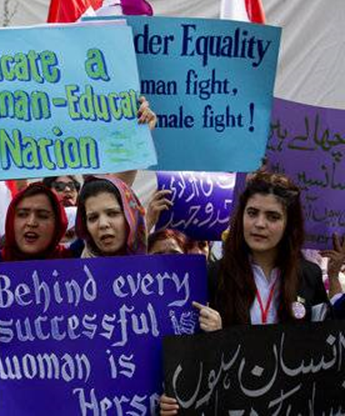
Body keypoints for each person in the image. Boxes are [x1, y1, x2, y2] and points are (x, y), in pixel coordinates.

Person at [159, 171, 337, 415]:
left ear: (288, 224)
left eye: (272, 216)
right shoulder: (213, 275)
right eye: (252, 213)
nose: (260, 224)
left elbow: (326, 351)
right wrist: (174, 394)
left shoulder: (309, 276)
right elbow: (188, 353)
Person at [74, 175, 147, 257]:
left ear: (131, 218)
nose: (103, 224)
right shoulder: (74, 268)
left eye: (113, 213)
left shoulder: (159, 262)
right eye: (93, 218)